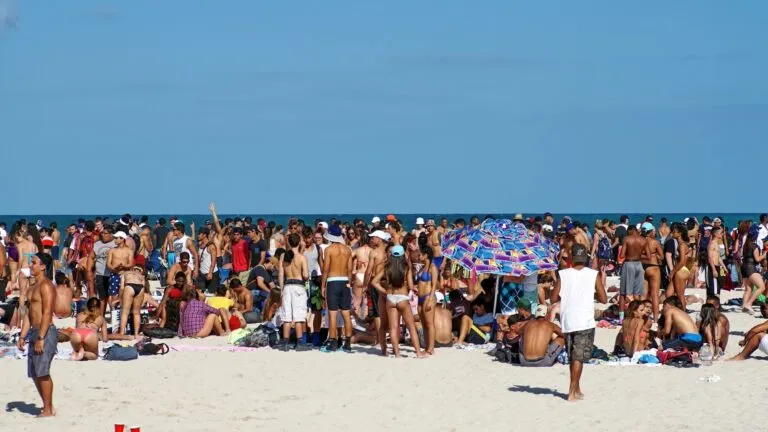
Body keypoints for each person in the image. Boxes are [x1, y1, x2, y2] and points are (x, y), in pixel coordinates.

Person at [551, 244, 607, 402]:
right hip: (585, 320)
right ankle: (572, 390)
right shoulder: (593, 274)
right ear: (586, 258)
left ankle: (577, 387)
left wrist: (569, 295)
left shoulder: (563, 274)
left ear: (571, 258)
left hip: (568, 319)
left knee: (573, 356)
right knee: (578, 358)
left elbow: (553, 298)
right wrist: (590, 294)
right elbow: (604, 299)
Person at [17, 253, 57, 417]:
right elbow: (27, 313)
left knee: (42, 371)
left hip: (45, 331)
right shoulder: (32, 287)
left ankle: (47, 409)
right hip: (33, 331)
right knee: (34, 373)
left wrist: (41, 337)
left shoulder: (46, 286)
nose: (31, 265)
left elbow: (47, 312)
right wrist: (22, 335)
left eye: (34, 263)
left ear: (43, 266)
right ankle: (47, 406)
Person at [371, 245, 427, 358]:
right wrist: (414, 288)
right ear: (402, 256)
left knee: (393, 327)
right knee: (411, 326)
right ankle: (418, 352)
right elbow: (411, 285)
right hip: (402, 297)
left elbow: (374, 282)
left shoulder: (386, 267)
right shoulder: (406, 267)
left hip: (391, 298)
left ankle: (397, 354)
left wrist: (385, 291)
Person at [321, 224, 354, 353]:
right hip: (344, 280)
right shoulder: (347, 250)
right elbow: (350, 269)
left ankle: (333, 342)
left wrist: (323, 286)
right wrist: (348, 283)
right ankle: (348, 343)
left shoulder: (328, 250)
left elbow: (325, 269)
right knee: (346, 313)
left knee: (333, 313)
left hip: (332, 281)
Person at [278, 246, 309, 351]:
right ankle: (299, 342)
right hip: (298, 286)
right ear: (299, 243)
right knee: (298, 316)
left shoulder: (283, 256)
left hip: (287, 287)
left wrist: (282, 290)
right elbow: (305, 275)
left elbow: (281, 274)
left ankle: (285, 343)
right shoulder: (301, 257)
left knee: (287, 316)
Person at [365, 230, 390, 352]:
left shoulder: (374, 253)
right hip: (388, 282)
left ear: (379, 239)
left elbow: (369, 270)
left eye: (373, 238)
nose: (371, 240)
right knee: (389, 311)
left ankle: (380, 340)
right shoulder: (389, 251)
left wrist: (365, 285)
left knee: (377, 312)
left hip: (376, 282)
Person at [414, 246, 438, 354]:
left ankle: (431, 349)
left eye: (420, 254)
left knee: (430, 324)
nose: (419, 256)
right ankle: (427, 346)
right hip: (420, 297)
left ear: (426, 255)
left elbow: (434, 285)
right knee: (424, 324)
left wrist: (430, 300)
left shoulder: (432, 268)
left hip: (429, 296)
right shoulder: (422, 268)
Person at [618, 225, 646, 314]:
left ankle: (621, 317)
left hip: (629, 263)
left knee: (623, 293)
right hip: (639, 264)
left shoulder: (626, 239)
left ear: (630, 231)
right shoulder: (643, 240)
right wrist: (637, 255)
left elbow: (622, 255)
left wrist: (630, 254)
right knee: (637, 293)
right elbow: (648, 255)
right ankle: (638, 313)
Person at [119, 257, 147, 338]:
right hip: (140, 288)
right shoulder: (141, 276)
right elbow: (144, 287)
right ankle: (136, 334)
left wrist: (120, 298)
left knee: (125, 312)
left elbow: (121, 288)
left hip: (130, 286)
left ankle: (121, 334)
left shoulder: (126, 273)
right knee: (137, 313)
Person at [740, 226, 766, 314]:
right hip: (750, 267)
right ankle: (749, 303)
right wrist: (765, 255)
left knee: (748, 289)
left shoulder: (745, 245)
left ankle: (744, 306)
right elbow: (757, 259)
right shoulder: (754, 246)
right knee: (762, 287)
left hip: (744, 266)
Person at [641, 223, 663, 322]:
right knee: (654, 294)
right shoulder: (655, 242)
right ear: (650, 232)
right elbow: (662, 256)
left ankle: (641, 315)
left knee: (644, 294)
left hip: (643, 267)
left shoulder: (640, 241)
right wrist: (657, 256)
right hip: (653, 267)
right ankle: (655, 318)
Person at [196, 227, 219, 294]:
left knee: (211, 293)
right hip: (202, 273)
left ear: (204, 235)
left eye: (199, 234)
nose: (198, 235)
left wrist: (210, 273)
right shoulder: (200, 245)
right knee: (199, 292)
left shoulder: (211, 246)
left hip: (211, 273)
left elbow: (214, 260)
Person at [705, 226, 726, 299]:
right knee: (713, 288)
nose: (722, 234)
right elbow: (710, 258)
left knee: (717, 287)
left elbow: (718, 257)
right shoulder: (712, 244)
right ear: (716, 234)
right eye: (721, 233)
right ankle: (714, 304)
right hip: (712, 267)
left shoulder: (716, 244)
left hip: (716, 266)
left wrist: (724, 267)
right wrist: (713, 270)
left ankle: (717, 304)